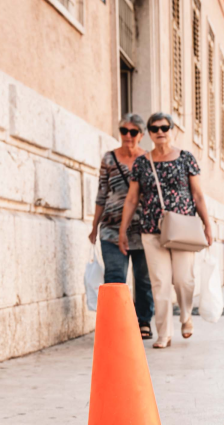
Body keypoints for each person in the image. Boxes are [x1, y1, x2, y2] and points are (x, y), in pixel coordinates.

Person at [120, 112, 213, 349]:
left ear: (172, 130)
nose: (160, 132)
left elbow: (197, 195)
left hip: (183, 229)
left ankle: (186, 316)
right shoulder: (142, 163)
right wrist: (122, 230)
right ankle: (164, 333)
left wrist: (208, 225)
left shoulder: (186, 158)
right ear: (149, 133)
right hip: (152, 229)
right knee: (159, 283)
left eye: (164, 127)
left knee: (183, 280)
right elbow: (132, 199)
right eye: (154, 128)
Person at [88, 113, 154, 339]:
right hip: (111, 228)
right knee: (115, 277)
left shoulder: (148, 159)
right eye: (124, 131)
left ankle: (143, 321)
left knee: (143, 279)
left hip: (142, 229)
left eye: (133, 132)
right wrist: (94, 226)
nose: (128, 136)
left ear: (141, 135)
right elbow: (102, 194)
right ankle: (116, 325)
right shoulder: (109, 159)